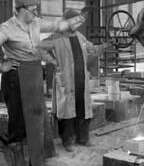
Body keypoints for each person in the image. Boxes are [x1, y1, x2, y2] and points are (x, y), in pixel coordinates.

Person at [0, 0, 86, 166]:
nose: (36, 13)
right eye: (33, 9)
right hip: (17, 77)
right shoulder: (7, 28)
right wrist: (1, 67)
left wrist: (77, 19)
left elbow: (57, 26)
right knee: (19, 122)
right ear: (21, 10)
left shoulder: (35, 23)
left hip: (34, 73)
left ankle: (37, 164)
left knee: (37, 118)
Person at [38, 9, 109, 151]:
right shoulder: (56, 38)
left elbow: (93, 50)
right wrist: (51, 61)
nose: (77, 24)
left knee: (82, 109)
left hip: (81, 80)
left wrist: (104, 46)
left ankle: (83, 138)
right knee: (67, 113)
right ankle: (68, 141)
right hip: (66, 80)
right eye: (75, 21)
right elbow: (39, 48)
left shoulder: (80, 36)